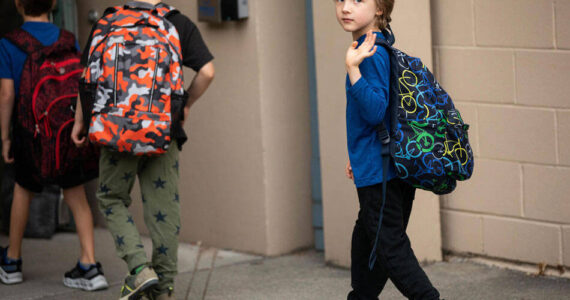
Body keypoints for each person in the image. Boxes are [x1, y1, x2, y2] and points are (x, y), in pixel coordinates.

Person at [71, 1, 215, 299]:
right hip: (163, 132)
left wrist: (80, 121)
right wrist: (185, 103)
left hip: (114, 131)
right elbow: (208, 72)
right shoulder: (177, 23)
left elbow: (88, 78)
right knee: (163, 209)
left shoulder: (108, 22)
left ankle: (139, 269)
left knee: (111, 198)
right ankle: (163, 288)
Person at [335, 0, 441, 299]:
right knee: (367, 237)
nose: (345, 7)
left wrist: (352, 69)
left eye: (357, 0)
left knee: (390, 246)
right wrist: (357, 154)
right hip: (385, 163)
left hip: (381, 170)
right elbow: (383, 114)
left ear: (380, 9)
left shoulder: (368, 54)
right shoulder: (380, 46)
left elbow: (374, 109)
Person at [0, 0, 107, 291]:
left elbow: (7, 95)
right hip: (66, 130)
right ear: (55, 4)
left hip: (29, 131)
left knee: (23, 190)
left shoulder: (10, 43)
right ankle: (89, 265)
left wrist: (5, 137)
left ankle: (12, 261)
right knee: (76, 194)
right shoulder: (67, 39)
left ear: (17, 4)